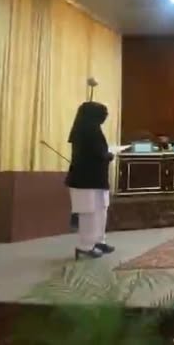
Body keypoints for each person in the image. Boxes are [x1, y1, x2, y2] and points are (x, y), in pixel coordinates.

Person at [65, 102, 115, 260]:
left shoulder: (94, 129)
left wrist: (106, 155)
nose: (105, 116)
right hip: (84, 180)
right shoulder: (84, 131)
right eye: (102, 113)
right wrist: (108, 155)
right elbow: (95, 154)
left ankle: (99, 241)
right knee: (88, 212)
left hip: (97, 179)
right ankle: (85, 246)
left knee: (101, 210)